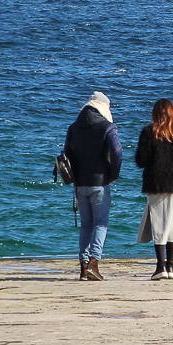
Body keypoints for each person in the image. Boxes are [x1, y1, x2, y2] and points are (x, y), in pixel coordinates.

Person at [63, 91, 122, 281]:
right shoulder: (107, 127)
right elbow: (117, 152)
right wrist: (113, 175)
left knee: (86, 225)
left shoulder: (73, 128)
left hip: (80, 184)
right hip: (100, 182)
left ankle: (83, 267)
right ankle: (94, 263)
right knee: (101, 223)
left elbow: (66, 154)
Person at [134, 98, 173, 280]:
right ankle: (171, 266)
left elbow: (141, 160)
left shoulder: (150, 132)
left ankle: (160, 266)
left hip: (157, 183)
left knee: (159, 223)